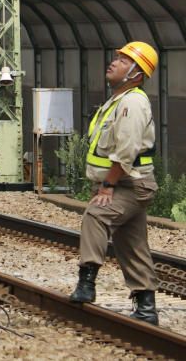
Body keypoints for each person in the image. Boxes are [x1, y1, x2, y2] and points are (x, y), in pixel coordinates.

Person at [69, 41, 160, 326]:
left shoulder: (132, 102)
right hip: (126, 184)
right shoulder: (117, 101)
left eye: (122, 60)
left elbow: (127, 151)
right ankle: (146, 308)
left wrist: (107, 186)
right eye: (117, 57)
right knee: (131, 243)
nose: (113, 62)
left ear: (136, 73)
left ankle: (87, 281)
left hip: (131, 185)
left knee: (96, 216)